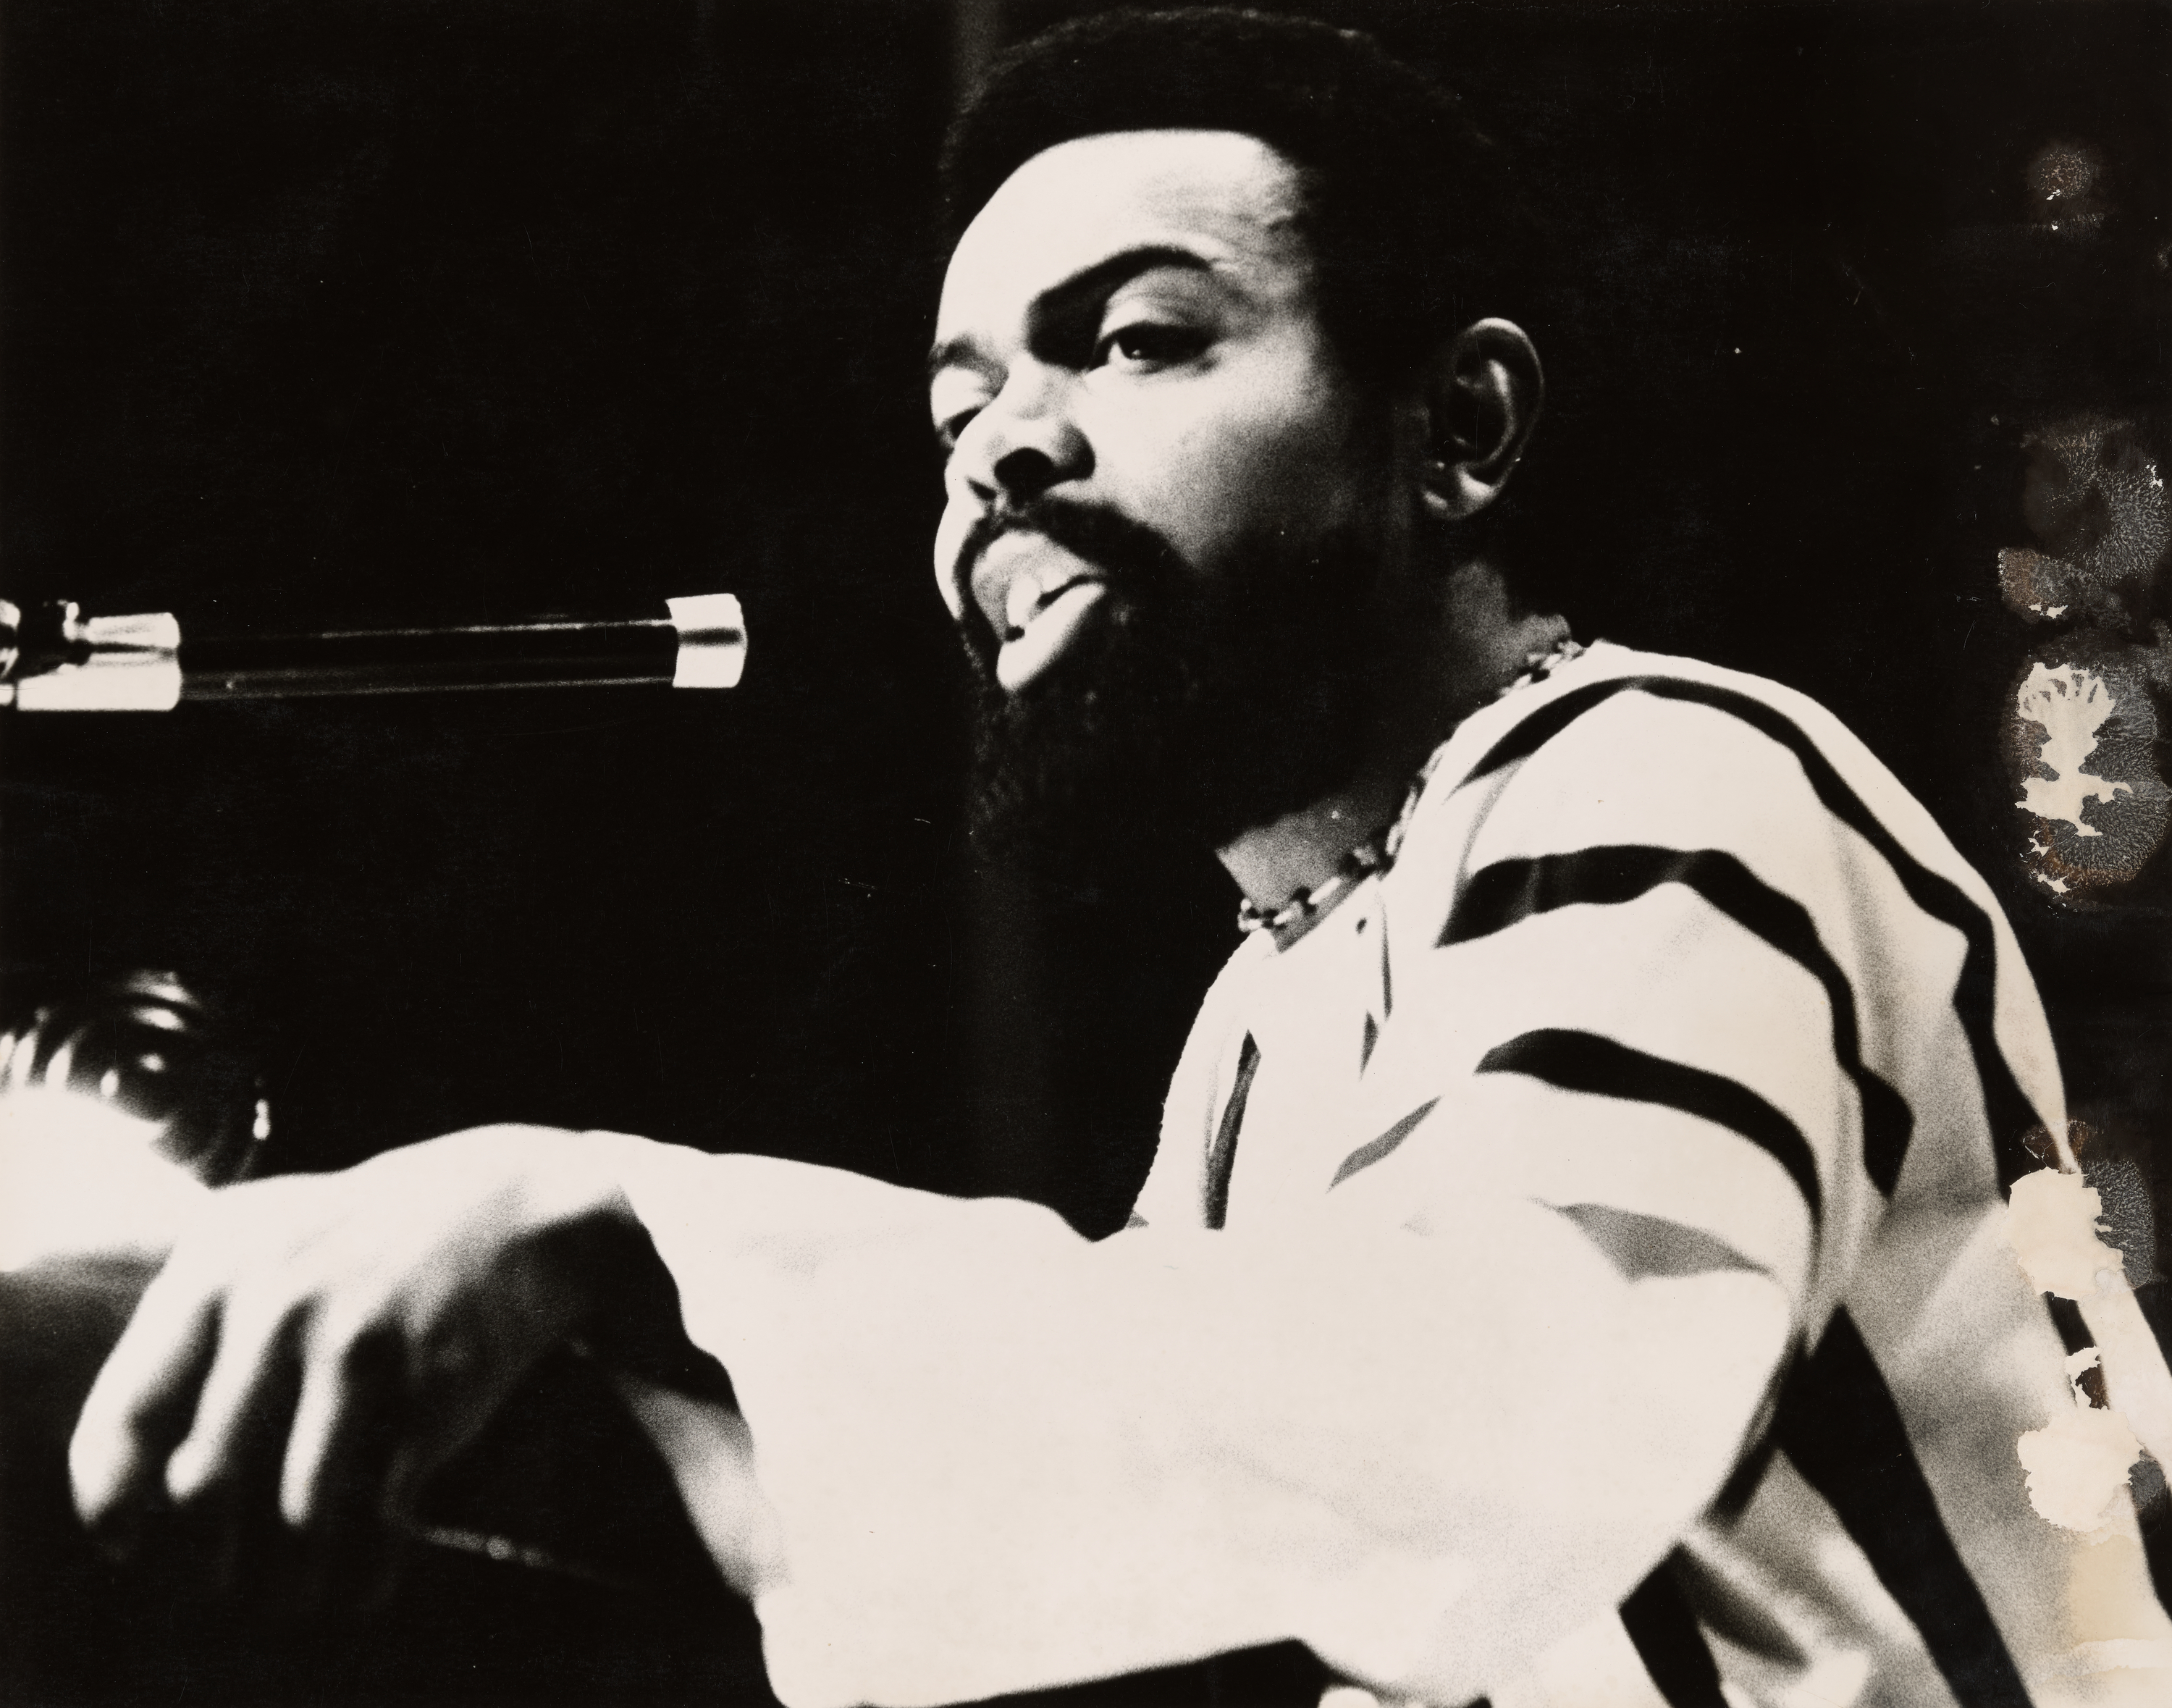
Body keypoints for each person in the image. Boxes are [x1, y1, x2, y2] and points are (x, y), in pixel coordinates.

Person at [64, 11, 2172, 1707]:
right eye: (955, 408)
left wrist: (620, 1229)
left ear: (1460, 432)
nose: (1003, 450)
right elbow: (1192, 1551)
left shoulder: (1660, 779)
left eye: (1138, 339)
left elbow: (1499, 1419)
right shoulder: (1267, 1019)